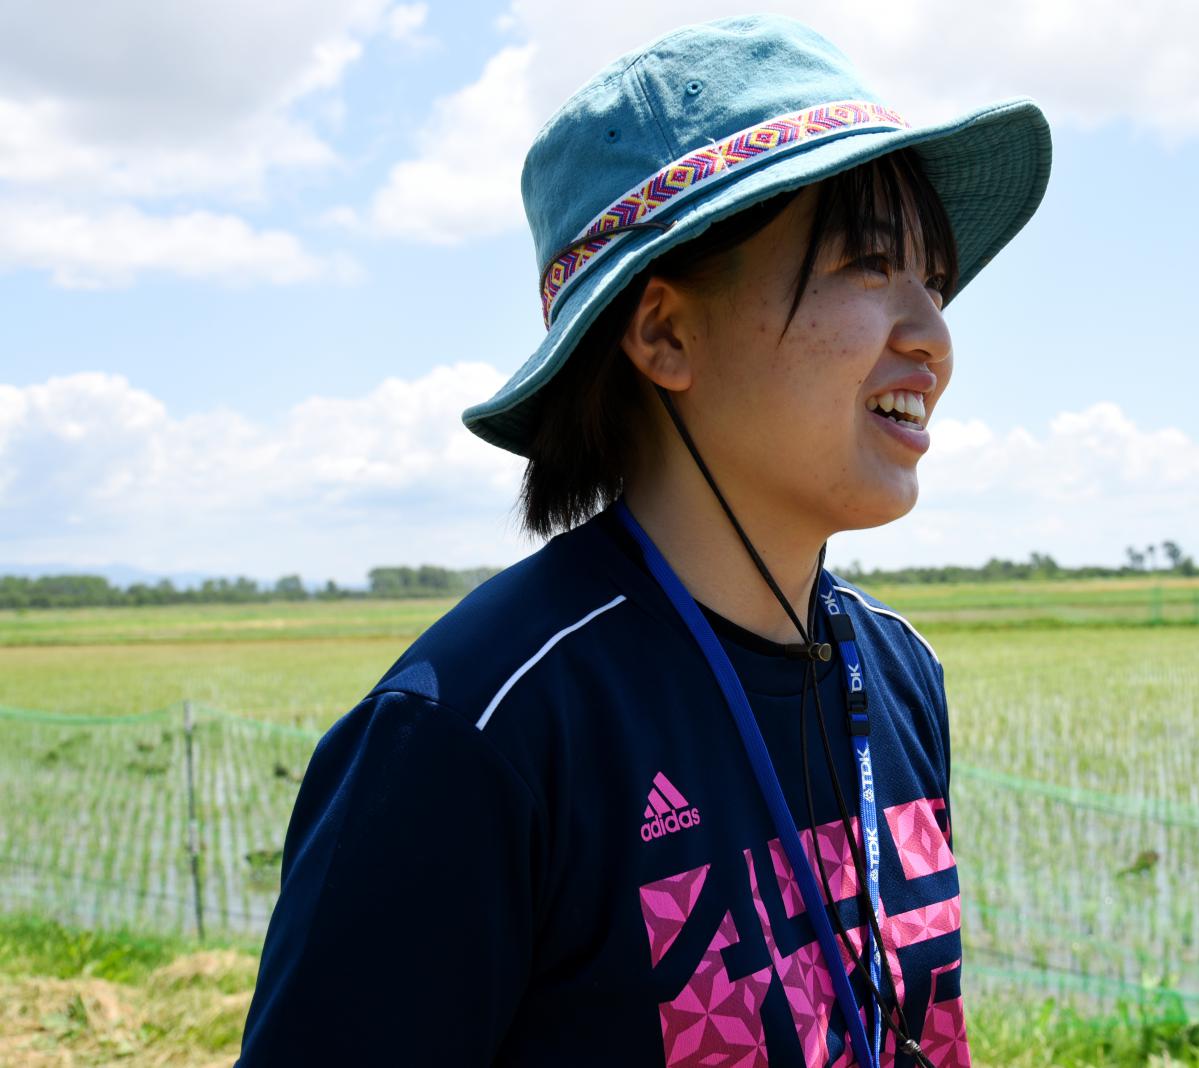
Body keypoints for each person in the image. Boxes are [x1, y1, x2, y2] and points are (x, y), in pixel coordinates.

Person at [237, 13, 1049, 1067]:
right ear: (664, 331)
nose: (933, 336)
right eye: (866, 263)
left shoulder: (896, 675)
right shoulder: (477, 734)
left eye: (932, 282)